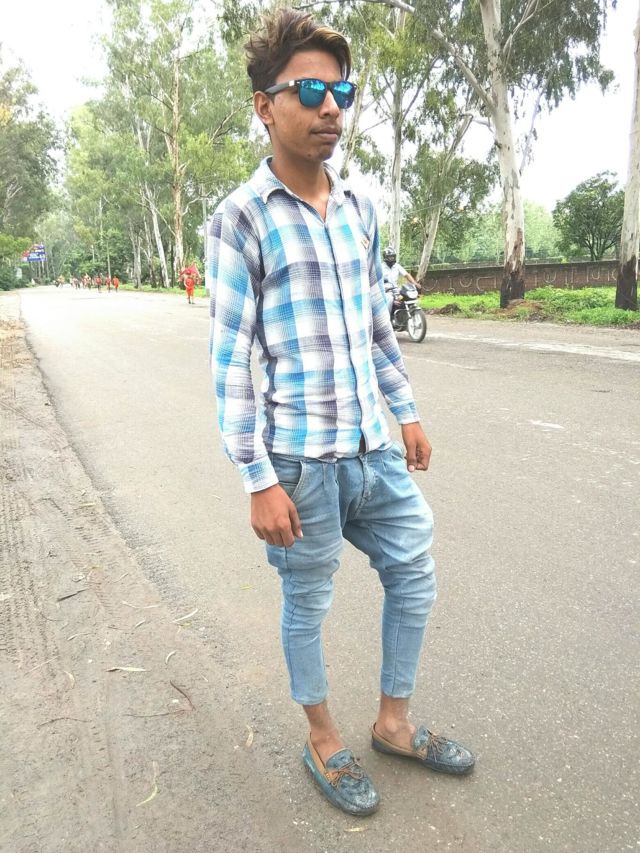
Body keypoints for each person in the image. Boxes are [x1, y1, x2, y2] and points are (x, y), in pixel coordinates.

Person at [207, 8, 474, 818]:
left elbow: (375, 329)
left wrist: (407, 411)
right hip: (300, 464)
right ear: (265, 106)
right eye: (310, 91)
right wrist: (257, 477)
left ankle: (393, 722)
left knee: (414, 568)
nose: (331, 107)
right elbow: (230, 363)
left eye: (342, 93)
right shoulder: (241, 217)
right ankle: (323, 737)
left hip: (372, 449)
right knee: (308, 599)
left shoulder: (360, 208)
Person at [382, 246, 420, 317]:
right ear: (385, 257)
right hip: (386, 291)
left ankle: (405, 315)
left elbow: (406, 275)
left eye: (393, 257)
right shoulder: (381, 267)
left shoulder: (397, 266)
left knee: (406, 296)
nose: (392, 258)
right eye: (390, 257)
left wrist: (415, 283)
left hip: (396, 289)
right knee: (390, 299)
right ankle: (386, 319)